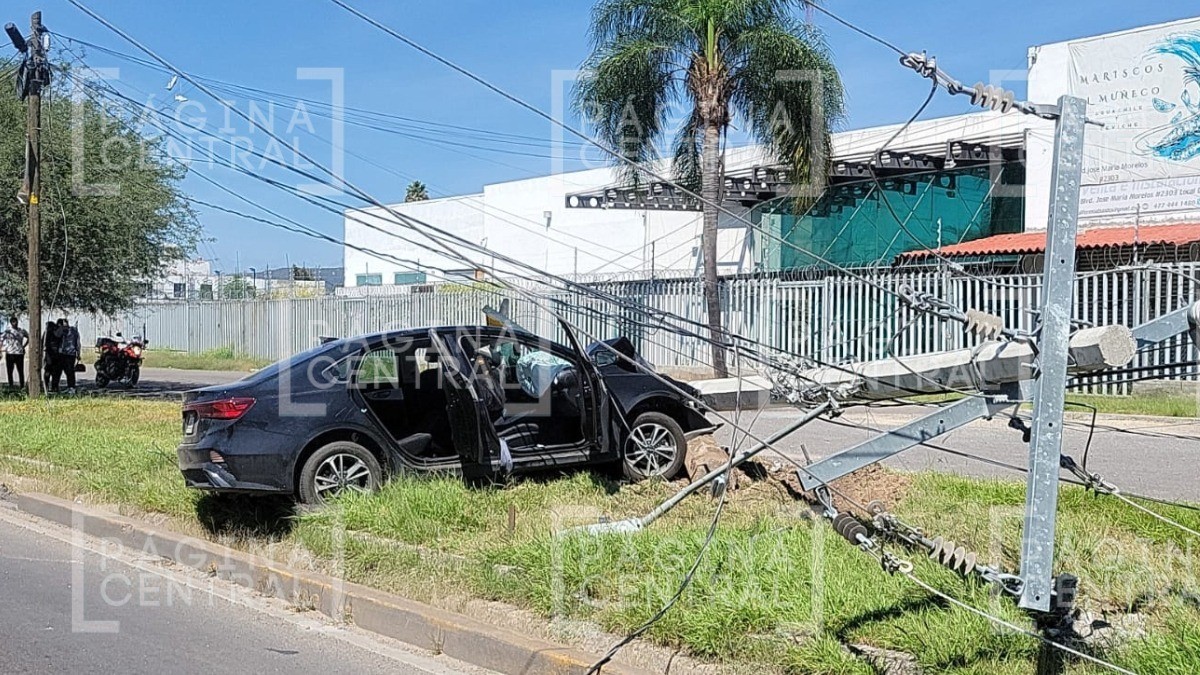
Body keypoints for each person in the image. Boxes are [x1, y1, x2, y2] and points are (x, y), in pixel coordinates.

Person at [1, 316, 29, 389]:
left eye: (15, 321)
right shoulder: (8, 331)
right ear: (11, 323)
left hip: (19, 353)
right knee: (10, 371)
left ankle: (22, 385)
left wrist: (24, 346)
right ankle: (11, 385)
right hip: (10, 353)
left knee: (20, 370)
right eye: (13, 322)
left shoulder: (21, 330)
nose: (15, 323)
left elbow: (28, 337)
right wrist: (1, 349)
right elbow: (1, 339)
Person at [56, 318, 81, 394]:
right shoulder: (61, 331)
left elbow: (77, 342)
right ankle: (62, 387)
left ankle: (72, 387)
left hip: (70, 353)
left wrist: (78, 353)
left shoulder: (73, 331)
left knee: (70, 371)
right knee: (60, 371)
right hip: (62, 353)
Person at [43, 321, 62, 392]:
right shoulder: (47, 334)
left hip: (53, 356)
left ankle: (51, 386)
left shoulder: (49, 333)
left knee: (53, 372)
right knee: (51, 372)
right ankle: (51, 386)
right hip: (51, 356)